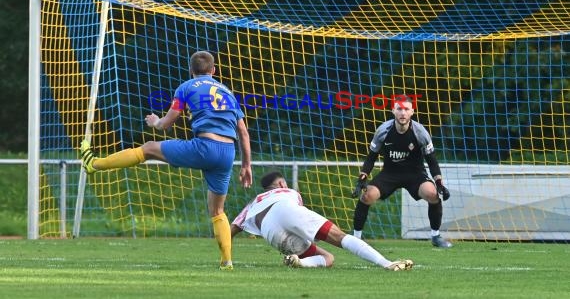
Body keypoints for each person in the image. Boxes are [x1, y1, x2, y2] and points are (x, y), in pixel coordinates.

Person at [80, 50, 253, 270]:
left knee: (150, 148)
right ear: (214, 70)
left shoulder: (187, 87)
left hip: (204, 146)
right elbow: (243, 133)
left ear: (191, 71)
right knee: (217, 211)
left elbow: (167, 124)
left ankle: (93, 164)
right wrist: (246, 165)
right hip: (227, 152)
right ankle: (227, 261)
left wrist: (155, 122)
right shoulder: (228, 92)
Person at [230, 171, 413, 271]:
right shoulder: (288, 192)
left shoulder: (254, 202)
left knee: (327, 258)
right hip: (284, 209)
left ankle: (300, 262)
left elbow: (232, 229)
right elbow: (295, 217)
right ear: (281, 184)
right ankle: (386, 263)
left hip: (269, 232)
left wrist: (226, 259)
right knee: (339, 237)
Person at [352, 95, 453, 248]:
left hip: (415, 174)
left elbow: (432, 160)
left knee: (432, 194)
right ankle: (356, 239)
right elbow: (371, 158)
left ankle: (435, 236)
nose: (403, 113)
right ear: (393, 110)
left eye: (406, 109)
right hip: (390, 174)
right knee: (367, 196)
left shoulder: (420, 132)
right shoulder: (383, 130)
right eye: (399, 109)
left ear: (412, 112)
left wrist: (439, 183)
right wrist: (362, 179)